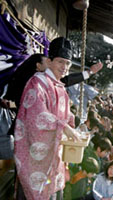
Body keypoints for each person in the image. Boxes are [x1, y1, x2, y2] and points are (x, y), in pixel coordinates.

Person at [14, 37, 82, 199]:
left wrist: (74, 123)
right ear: (49, 61)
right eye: (60, 62)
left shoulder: (59, 86)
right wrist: (64, 127)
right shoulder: (37, 83)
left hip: (54, 155)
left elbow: (64, 114)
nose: (64, 67)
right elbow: (37, 115)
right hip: (35, 157)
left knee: (53, 192)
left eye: (67, 63)